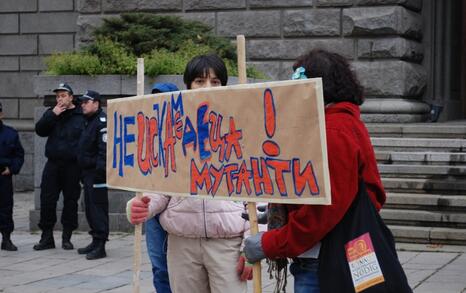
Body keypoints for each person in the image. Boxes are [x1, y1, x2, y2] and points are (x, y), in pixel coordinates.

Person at [243, 49, 387, 293]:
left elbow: (323, 210)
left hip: (324, 262)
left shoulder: (332, 132)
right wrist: (285, 209)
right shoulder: (344, 124)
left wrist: (270, 243)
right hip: (334, 255)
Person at [127, 54, 252, 293]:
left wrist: (253, 243)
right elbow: (161, 187)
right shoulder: (174, 130)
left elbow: (260, 189)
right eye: (199, 81)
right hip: (182, 244)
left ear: (225, 86)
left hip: (228, 244)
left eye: (215, 82)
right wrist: (142, 205)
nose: (207, 88)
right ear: (187, 85)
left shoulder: (243, 125)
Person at [34, 83, 85, 251]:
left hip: (72, 166)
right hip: (53, 165)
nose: (60, 99)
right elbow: (40, 130)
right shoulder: (52, 113)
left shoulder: (80, 114)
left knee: (70, 201)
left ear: (71, 97)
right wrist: (53, 115)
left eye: (63, 95)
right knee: (47, 200)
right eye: (58, 96)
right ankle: (46, 237)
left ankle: (67, 236)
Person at [145, 82, 179, 293]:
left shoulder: (187, 133)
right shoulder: (147, 132)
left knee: (178, 268)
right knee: (159, 266)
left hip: (177, 209)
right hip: (152, 207)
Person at [76, 90, 109, 260]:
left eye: (86, 102)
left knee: (98, 209)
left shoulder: (101, 122)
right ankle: (95, 241)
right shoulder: (89, 121)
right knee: (90, 209)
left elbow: (104, 152)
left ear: (96, 104)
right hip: (87, 174)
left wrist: (98, 174)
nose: (82, 104)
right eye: (82, 102)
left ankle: (101, 245)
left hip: (97, 175)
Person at [0, 102, 25, 251]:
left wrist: (11, 168)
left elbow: (19, 155)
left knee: (5, 208)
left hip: (3, 177)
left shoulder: (10, 133)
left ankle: (6, 238)